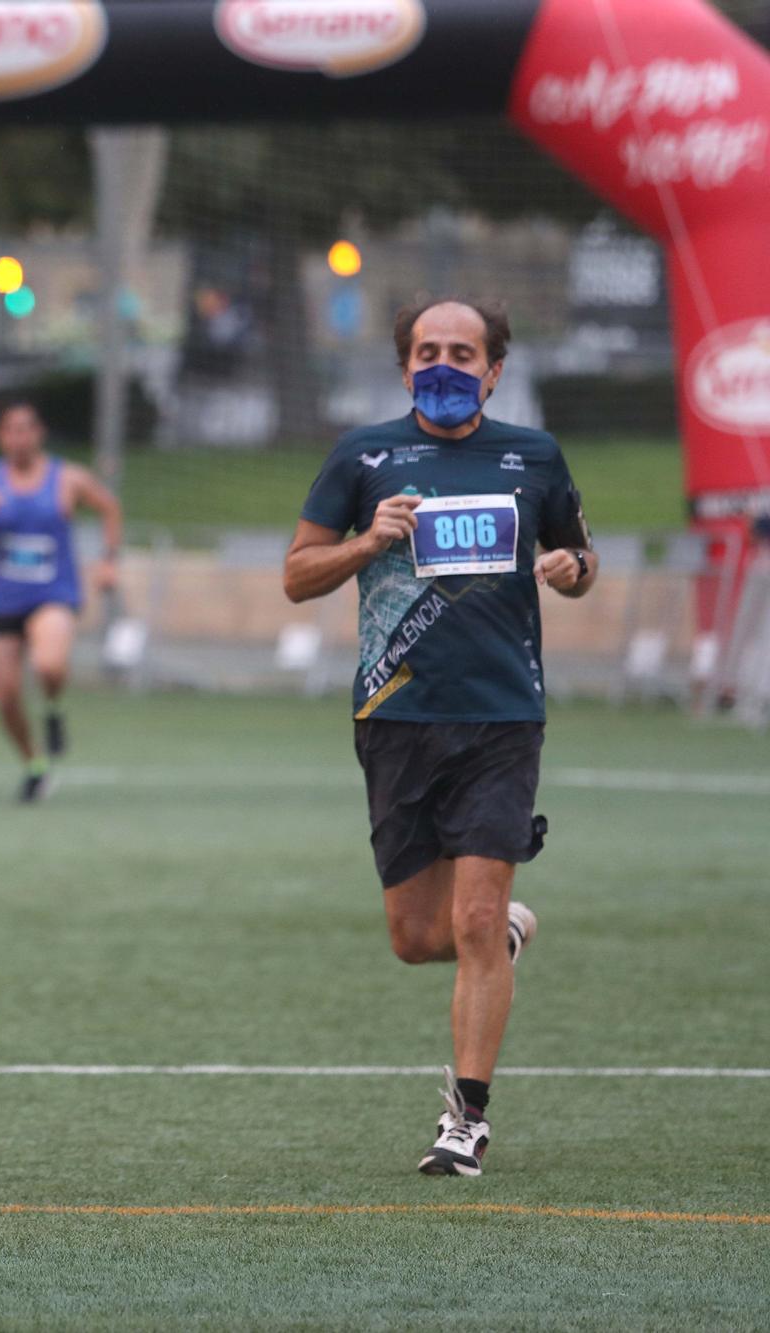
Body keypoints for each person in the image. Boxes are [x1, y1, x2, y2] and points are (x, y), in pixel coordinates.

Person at [283, 298, 598, 1177]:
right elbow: (296, 575)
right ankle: (501, 935)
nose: (445, 365)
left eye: (463, 352)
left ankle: (466, 1119)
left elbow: (580, 557)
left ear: (495, 368)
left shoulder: (532, 456)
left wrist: (571, 569)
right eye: (428, 351)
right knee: (418, 935)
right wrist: (366, 540)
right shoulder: (364, 455)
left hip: (503, 715)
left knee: (473, 915)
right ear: (404, 364)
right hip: (396, 716)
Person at [0, 397, 123, 800]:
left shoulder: (67, 478)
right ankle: (35, 764)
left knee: (49, 664)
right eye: (11, 430)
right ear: (0, 437)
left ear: (39, 433)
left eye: (26, 428)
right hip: (3, 601)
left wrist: (109, 560)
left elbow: (109, 508)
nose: (19, 438)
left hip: (54, 594)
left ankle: (53, 709)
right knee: (6, 696)